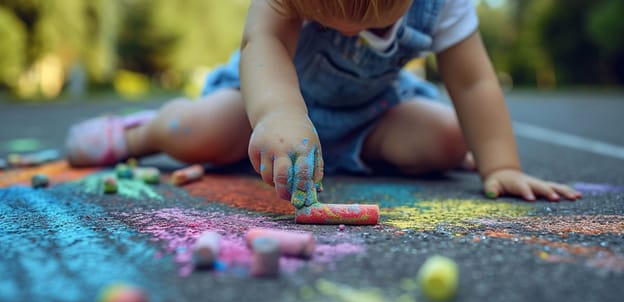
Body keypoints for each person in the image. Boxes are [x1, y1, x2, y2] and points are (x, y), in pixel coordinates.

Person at [65, 0, 582, 207]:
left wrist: (502, 163)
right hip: (263, 101)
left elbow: (472, 83)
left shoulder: (443, 5)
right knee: (192, 129)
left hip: (370, 114)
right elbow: (261, 44)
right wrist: (277, 114)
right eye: (332, 19)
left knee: (450, 138)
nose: (357, 33)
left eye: (375, 21)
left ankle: (376, 151)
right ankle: (138, 133)